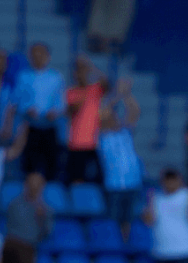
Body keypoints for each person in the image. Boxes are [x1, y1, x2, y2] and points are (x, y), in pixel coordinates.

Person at [16, 42, 65, 180]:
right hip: (30, 127)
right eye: (34, 55)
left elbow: (60, 103)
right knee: (30, 164)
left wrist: (55, 111)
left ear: (47, 57)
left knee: (51, 164)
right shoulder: (23, 76)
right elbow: (18, 102)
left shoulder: (56, 77)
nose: (38, 57)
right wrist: (27, 109)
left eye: (41, 54)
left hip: (49, 126)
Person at [97, 85, 143, 232]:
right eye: (112, 116)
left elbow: (135, 112)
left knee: (129, 222)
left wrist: (126, 95)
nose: (115, 118)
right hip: (114, 186)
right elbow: (102, 112)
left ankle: (127, 250)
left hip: (133, 183)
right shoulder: (103, 136)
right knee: (113, 222)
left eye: (115, 116)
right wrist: (117, 95)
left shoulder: (125, 132)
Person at [2, 172, 53, 263]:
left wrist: (41, 218)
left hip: (29, 248)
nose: (34, 187)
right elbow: (15, 229)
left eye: (37, 184)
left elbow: (46, 233)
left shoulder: (46, 210)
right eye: (32, 184)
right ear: (26, 185)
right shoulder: (15, 205)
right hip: (14, 246)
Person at [65, 56, 105, 184]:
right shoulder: (71, 92)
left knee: (99, 178)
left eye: (83, 72)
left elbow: (107, 83)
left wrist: (91, 67)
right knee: (77, 177)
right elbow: (71, 110)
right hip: (76, 143)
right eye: (79, 72)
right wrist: (82, 91)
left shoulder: (95, 89)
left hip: (94, 142)